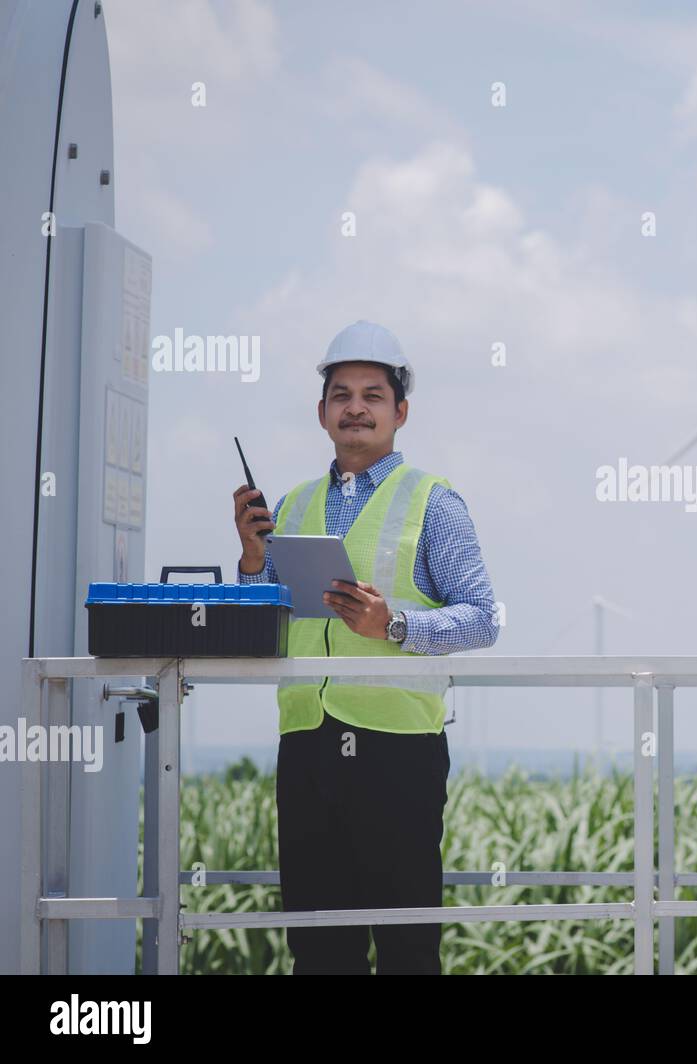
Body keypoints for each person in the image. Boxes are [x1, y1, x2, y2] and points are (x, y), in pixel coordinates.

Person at [232, 319, 499, 974]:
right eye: (342, 394)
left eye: (373, 395)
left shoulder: (435, 504)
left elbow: (484, 619)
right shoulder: (290, 505)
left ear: (400, 411)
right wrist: (249, 557)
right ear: (322, 412)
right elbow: (262, 621)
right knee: (318, 947)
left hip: (398, 751)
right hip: (306, 745)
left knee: (407, 947)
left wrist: (396, 625)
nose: (356, 407)